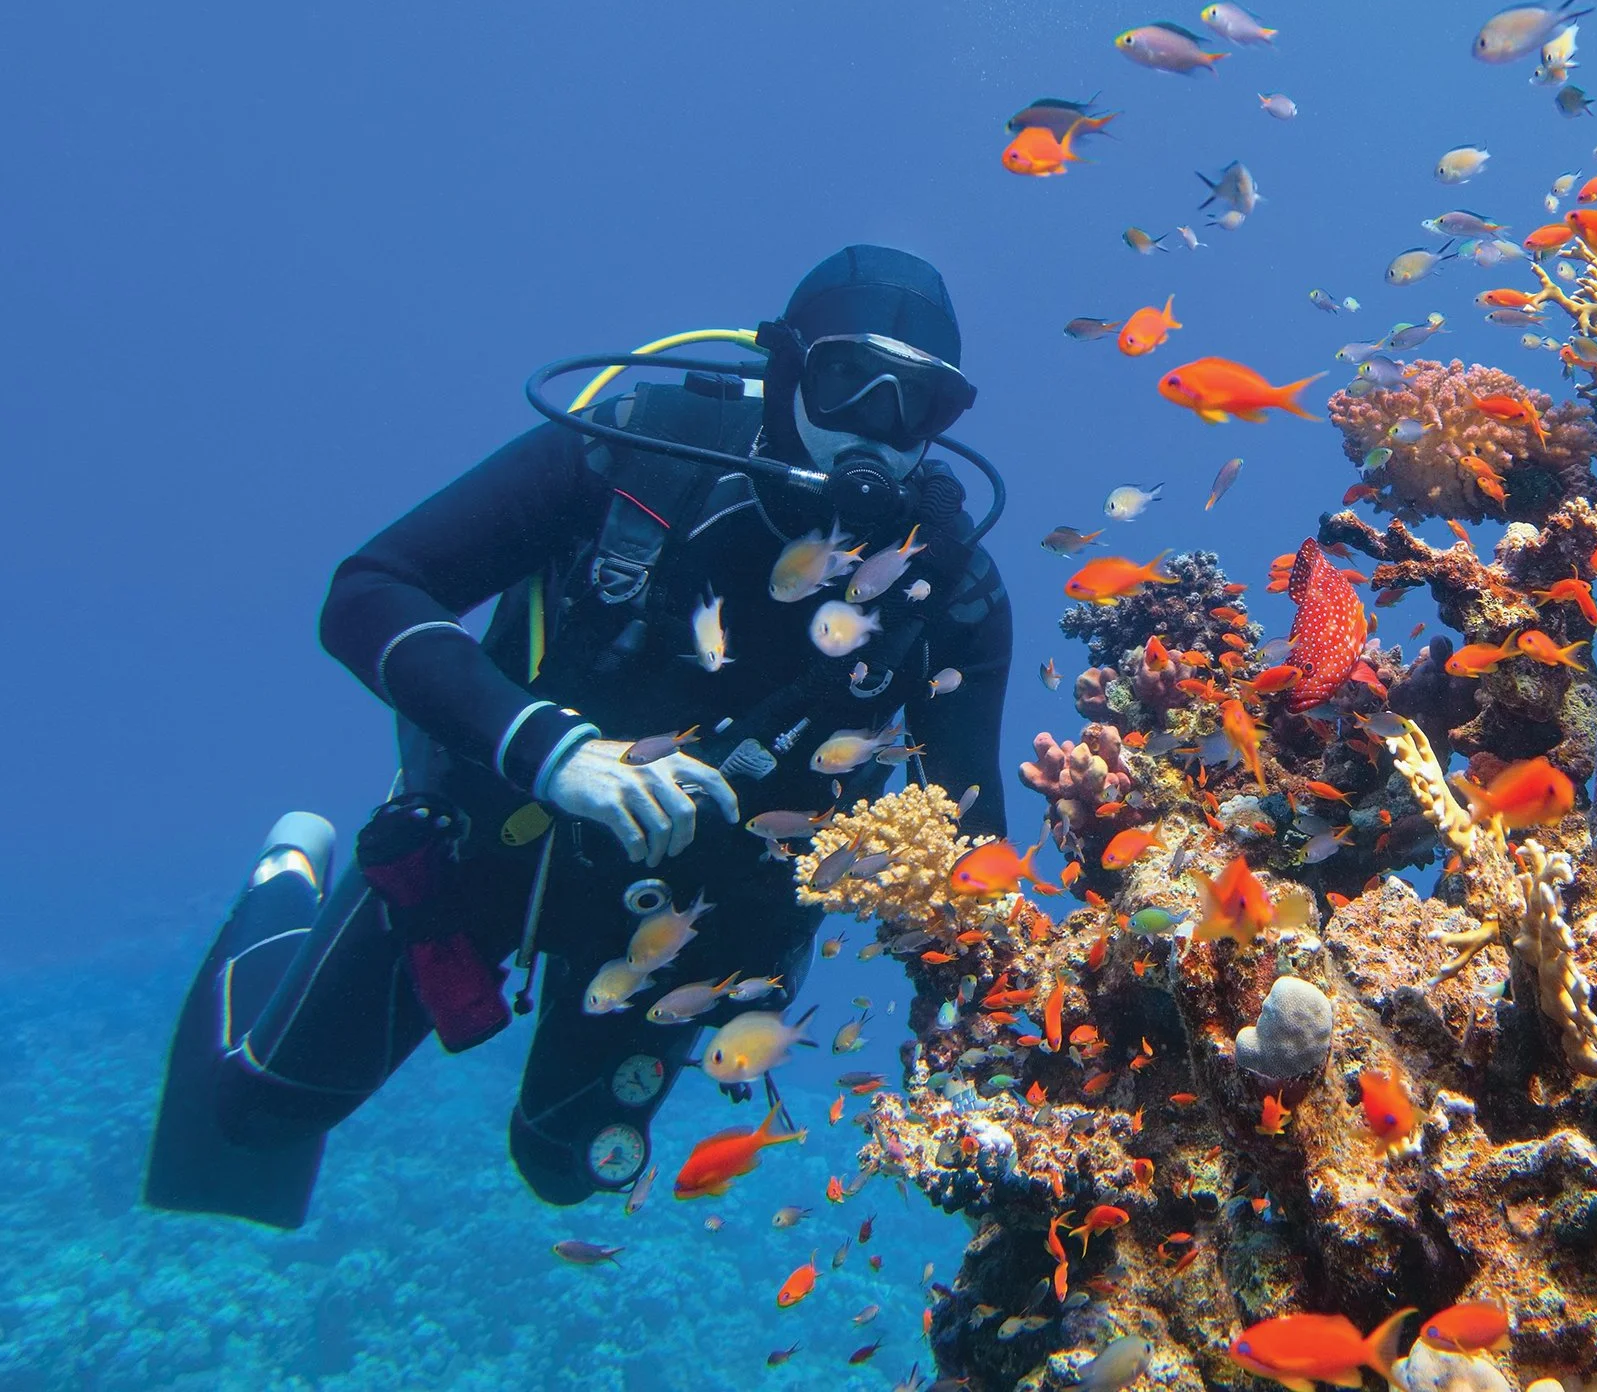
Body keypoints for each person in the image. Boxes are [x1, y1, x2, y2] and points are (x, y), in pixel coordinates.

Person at [144, 245, 1010, 1227]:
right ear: (786, 365)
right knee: (255, 1117)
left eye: (920, 404)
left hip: (691, 919)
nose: (879, 430)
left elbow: (969, 828)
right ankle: (284, 880)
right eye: (850, 378)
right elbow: (372, 589)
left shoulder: (945, 589)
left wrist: (990, 1021)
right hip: (493, 837)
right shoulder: (637, 451)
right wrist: (547, 748)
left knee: (564, 1166)